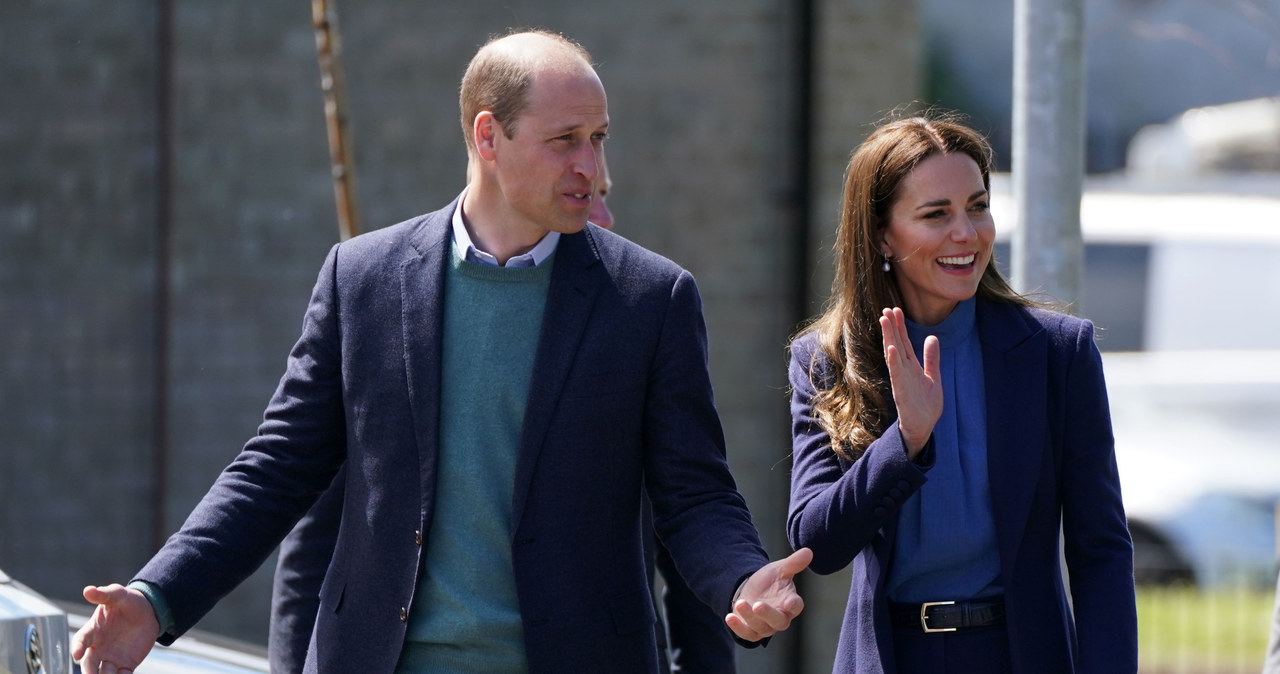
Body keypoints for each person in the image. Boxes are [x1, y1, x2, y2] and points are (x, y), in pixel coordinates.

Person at [72, 29, 810, 674]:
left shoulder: (651, 299)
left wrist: (741, 579)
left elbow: (696, 494)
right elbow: (274, 471)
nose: (595, 167)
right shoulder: (360, 278)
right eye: (566, 141)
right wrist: (155, 597)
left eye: (600, 137)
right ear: (488, 137)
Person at [267, 152, 736, 674]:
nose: (600, 213)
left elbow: (692, 521)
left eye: (605, 194)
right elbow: (305, 521)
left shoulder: (641, 308)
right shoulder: (369, 283)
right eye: (591, 192)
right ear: (490, 138)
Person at [785, 113, 1136, 672]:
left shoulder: (1057, 353)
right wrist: (905, 442)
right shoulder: (826, 360)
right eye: (936, 214)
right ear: (881, 234)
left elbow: (1102, 553)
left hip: (1020, 655)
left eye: (978, 206)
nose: (967, 234)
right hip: (892, 656)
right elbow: (816, 543)